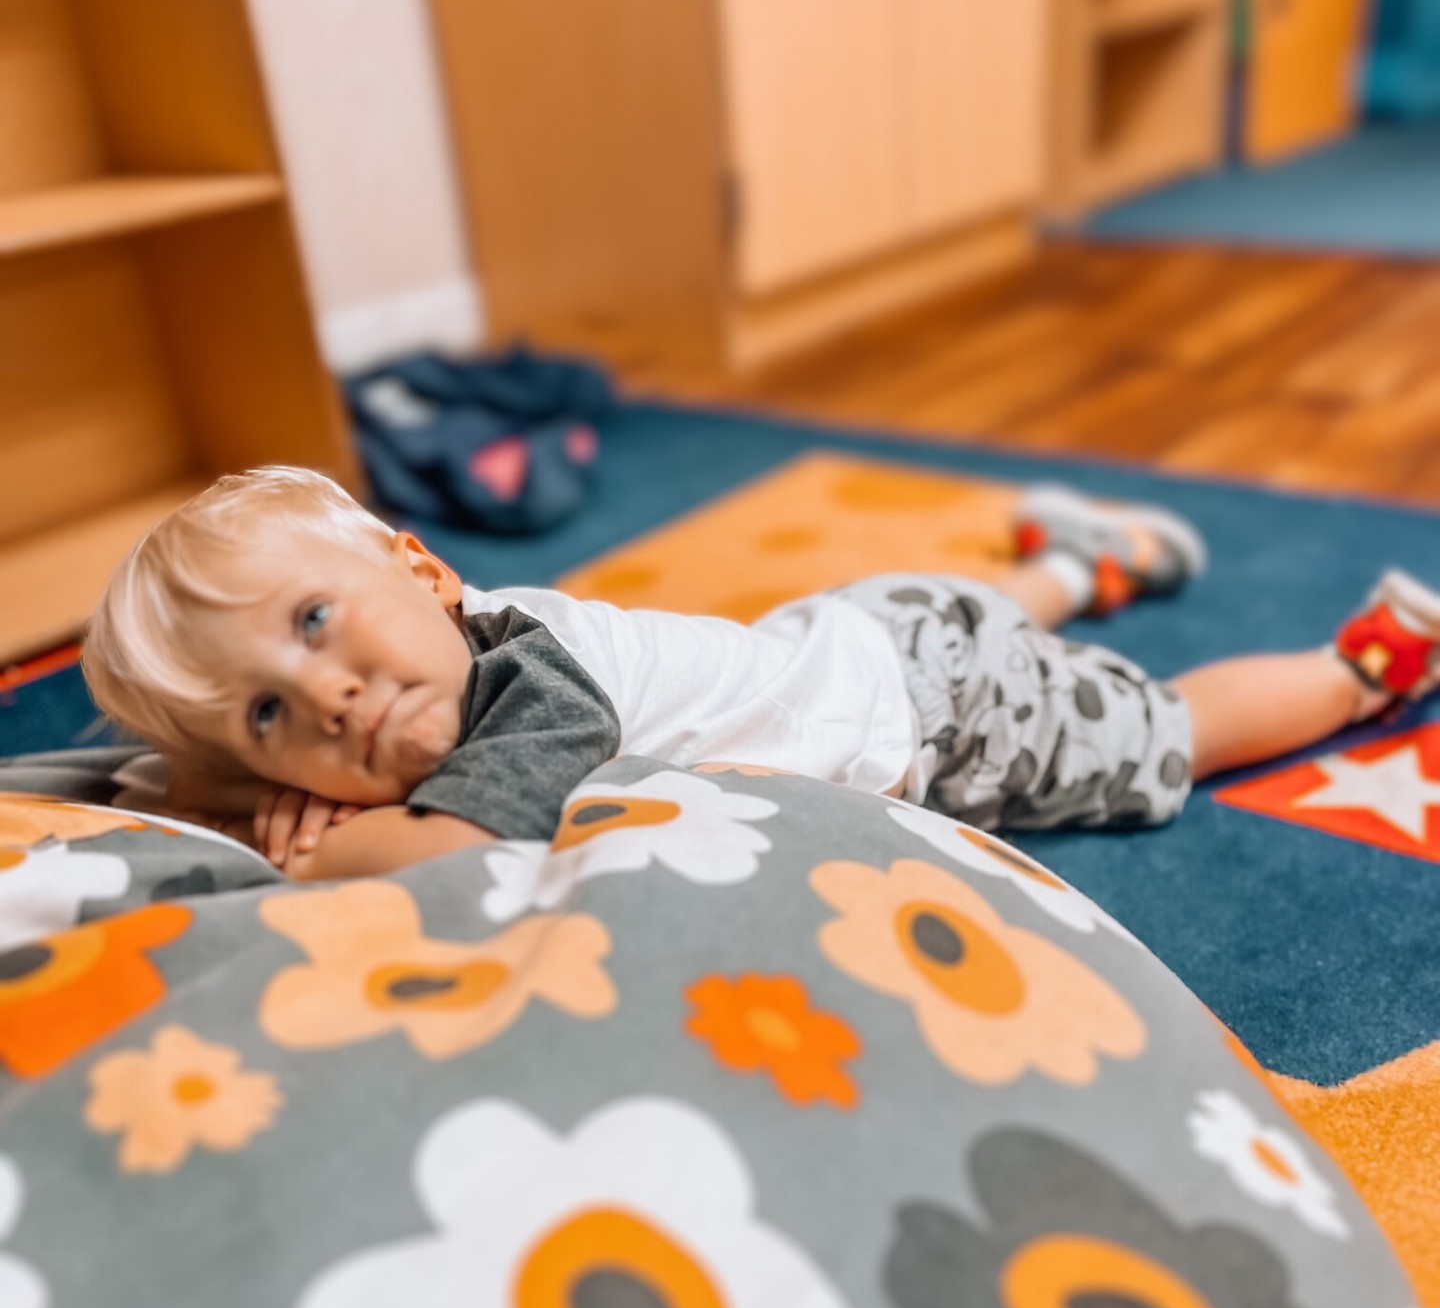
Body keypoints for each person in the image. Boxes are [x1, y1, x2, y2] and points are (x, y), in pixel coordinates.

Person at [82, 467, 1440, 881]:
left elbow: (444, 851)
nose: (325, 695)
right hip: (856, 632)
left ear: (429, 570)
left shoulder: (537, 690)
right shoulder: (448, 620)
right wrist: (234, 775)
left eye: (317, 620)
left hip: (942, 713)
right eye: (271, 712)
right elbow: (189, 764)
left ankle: (1352, 673)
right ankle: (1087, 568)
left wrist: (316, 846)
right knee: (987, 608)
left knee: (1163, 733)